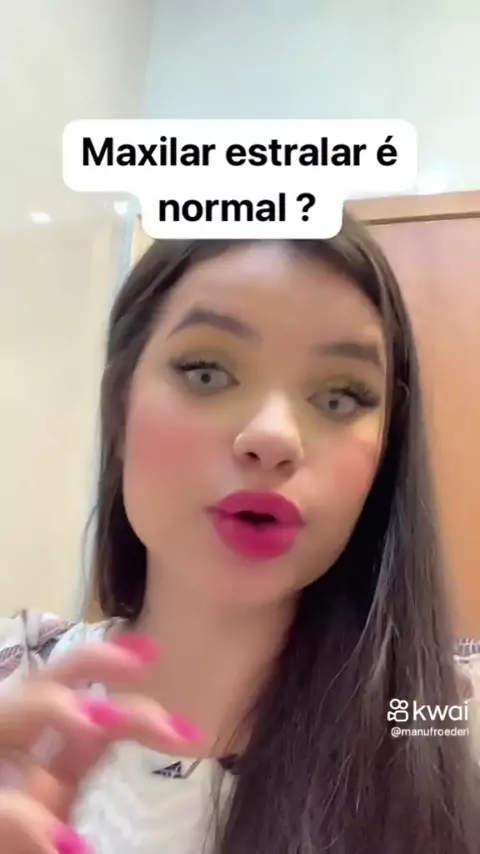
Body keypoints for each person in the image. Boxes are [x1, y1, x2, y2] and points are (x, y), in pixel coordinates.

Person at [0, 215, 479, 854]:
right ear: (121, 406)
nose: (273, 436)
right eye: (206, 371)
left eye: (341, 396)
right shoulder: (14, 686)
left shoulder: (448, 720)